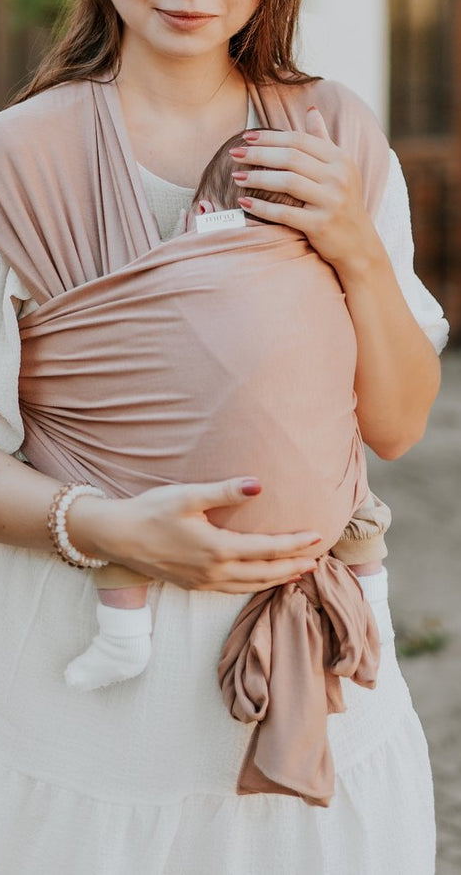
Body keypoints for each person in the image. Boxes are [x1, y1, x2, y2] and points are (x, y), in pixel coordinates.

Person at [0, 0, 447, 873]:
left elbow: (399, 424)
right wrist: (105, 529)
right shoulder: (8, 167)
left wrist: (356, 245)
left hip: (311, 662)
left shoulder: (336, 139)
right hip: (84, 674)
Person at [61, 127, 392, 696]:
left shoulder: (173, 267)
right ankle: (373, 604)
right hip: (321, 505)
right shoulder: (322, 274)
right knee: (362, 500)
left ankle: (123, 633)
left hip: (189, 492)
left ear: (203, 210)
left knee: (116, 490)